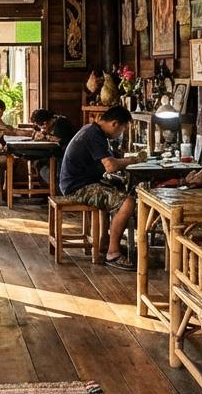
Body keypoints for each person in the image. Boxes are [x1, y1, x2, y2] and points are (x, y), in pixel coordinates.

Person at [58, 105, 141, 271]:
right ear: (115, 124)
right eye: (122, 129)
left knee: (117, 191)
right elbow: (110, 166)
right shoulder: (94, 135)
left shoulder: (91, 129)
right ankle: (113, 253)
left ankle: (105, 243)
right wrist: (133, 160)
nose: (120, 133)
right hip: (77, 187)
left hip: (77, 182)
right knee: (128, 202)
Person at [29, 108, 77, 186]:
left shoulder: (61, 123)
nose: (41, 128)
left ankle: (57, 185)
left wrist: (47, 137)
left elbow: (63, 140)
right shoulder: (51, 122)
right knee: (37, 161)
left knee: (41, 163)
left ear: (45, 123)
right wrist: (42, 134)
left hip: (66, 155)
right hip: (57, 153)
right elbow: (45, 132)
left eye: (41, 125)